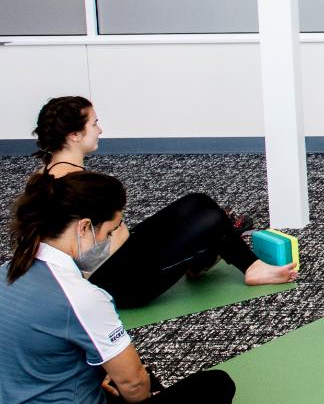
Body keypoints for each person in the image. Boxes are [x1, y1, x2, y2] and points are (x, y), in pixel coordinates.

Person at [0, 171, 244, 404]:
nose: (118, 236)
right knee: (214, 387)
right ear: (84, 228)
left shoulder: (7, 273)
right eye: (113, 228)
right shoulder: (80, 296)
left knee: (119, 377)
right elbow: (134, 385)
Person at [30, 96, 296, 308]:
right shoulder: (74, 185)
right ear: (75, 135)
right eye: (94, 124)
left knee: (197, 203)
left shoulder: (45, 175)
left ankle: (217, 255)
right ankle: (237, 262)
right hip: (123, 285)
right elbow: (82, 256)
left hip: (119, 260)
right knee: (213, 220)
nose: (100, 130)